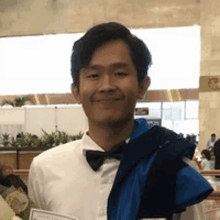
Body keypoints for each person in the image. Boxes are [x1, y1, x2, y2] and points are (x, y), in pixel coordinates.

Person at [28, 22, 213, 220]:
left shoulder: (174, 166)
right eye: (93, 75)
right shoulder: (44, 169)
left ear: (142, 86)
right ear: (76, 92)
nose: (106, 86)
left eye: (120, 73)